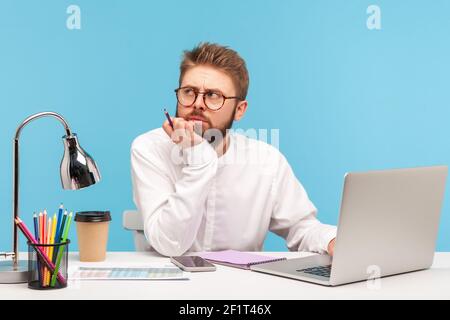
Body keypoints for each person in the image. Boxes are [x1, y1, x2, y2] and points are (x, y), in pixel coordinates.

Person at [131, 42, 336, 257]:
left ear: (239, 110)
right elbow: (170, 244)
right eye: (189, 92)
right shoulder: (149, 148)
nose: (198, 104)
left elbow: (301, 228)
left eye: (213, 95)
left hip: (243, 286)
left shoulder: (267, 161)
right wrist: (198, 156)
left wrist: (332, 240)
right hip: (172, 285)